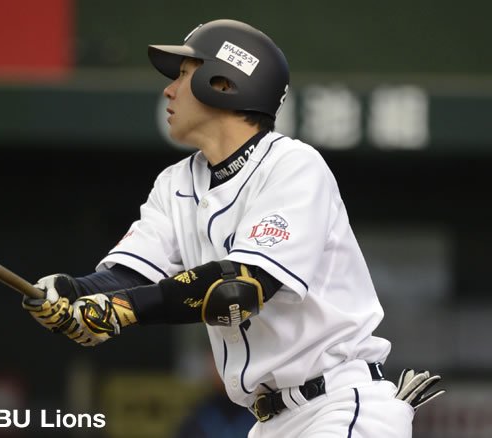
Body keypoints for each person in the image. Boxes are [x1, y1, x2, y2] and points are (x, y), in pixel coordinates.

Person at [22, 19, 444, 437]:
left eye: (183, 75)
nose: (169, 90)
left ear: (224, 84)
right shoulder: (175, 183)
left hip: (336, 404)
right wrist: (72, 292)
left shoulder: (293, 165)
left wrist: (123, 310)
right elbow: (130, 277)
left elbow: (240, 288)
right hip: (269, 421)